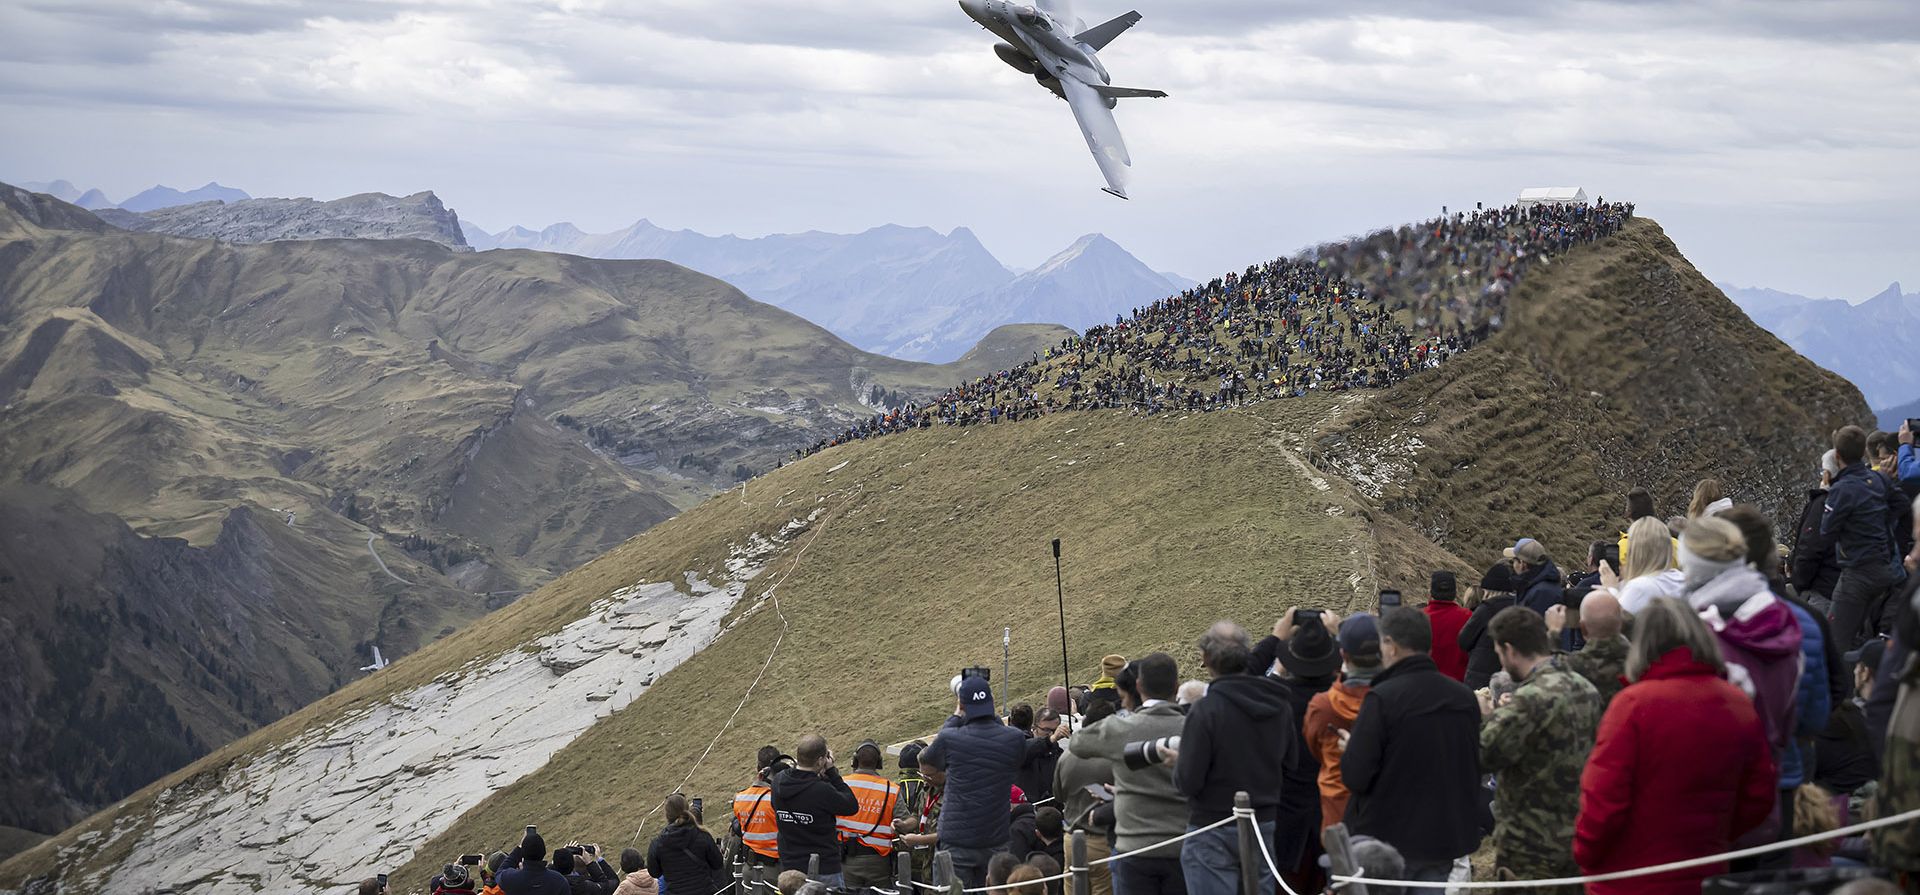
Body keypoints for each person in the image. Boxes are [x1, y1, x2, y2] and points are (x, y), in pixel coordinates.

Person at [1575, 598, 1778, 895]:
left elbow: (1603, 798)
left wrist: (1585, 854)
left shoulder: (1632, 706)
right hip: (1706, 871)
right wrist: (1717, 839)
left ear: (1641, 643)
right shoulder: (1736, 702)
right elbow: (1759, 794)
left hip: (1630, 878)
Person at [1342, 608, 1482, 883]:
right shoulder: (1464, 697)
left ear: (1391, 646)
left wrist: (1351, 750)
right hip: (1444, 835)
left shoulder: (1382, 699)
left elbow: (1356, 776)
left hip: (1391, 838)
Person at [1477, 607, 1600, 891]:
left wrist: (1489, 717)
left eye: (1499, 653)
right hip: (1577, 832)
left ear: (1509, 649)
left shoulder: (1529, 699)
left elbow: (1483, 755)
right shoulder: (1584, 688)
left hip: (1531, 844)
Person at [1173, 622, 1294, 895]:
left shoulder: (1204, 710)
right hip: (1262, 822)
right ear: (1247, 655)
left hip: (1211, 825)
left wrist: (1178, 763)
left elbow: (1187, 782)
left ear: (1205, 660)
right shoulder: (1279, 704)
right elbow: (1290, 763)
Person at [1070, 652, 1189, 895]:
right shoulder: (1195, 725)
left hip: (1134, 848)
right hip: (1183, 845)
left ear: (1138, 687)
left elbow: (1078, 742)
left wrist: (1120, 711)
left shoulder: (1121, 727)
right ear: (1176, 687)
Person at [922, 673, 1028, 889]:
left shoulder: (950, 737)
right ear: (991, 703)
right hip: (995, 838)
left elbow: (928, 762)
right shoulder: (1015, 739)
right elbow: (1007, 748)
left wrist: (955, 715)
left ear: (962, 704)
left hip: (956, 839)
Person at [1824, 424, 1912, 648]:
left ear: (1837, 455)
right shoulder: (1880, 480)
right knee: (1878, 634)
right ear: (1863, 452)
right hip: (1887, 569)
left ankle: (1845, 680)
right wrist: (1881, 522)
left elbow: (1826, 529)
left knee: (1836, 640)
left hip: (1857, 573)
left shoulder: (1841, 489)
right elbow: (1901, 503)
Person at [1303, 613, 1382, 829]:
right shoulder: (1399, 699)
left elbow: (1314, 749)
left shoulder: (1323, 706)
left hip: (1339, 815)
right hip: (1390, 813)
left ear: (1342, 655)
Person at [772, 735, 859, 885]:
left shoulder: (778, 781)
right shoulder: (821, 790)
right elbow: (851, 806)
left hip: (790, 867)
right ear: (820, 761)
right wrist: (832, 772)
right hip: (823, 868)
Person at [1052, 699, 1116, 895]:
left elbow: (1058, 795)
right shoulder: (1114, 756)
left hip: (1071, 839)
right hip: (1103, 839)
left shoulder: (1067, 756)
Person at [836, 740, 906, 889]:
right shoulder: (891, 789)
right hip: (878, 862)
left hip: (846, 860)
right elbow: (906, 821)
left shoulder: (842, 784)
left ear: (854, 762)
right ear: (879, 762)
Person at [1546, 590, 1630, 705]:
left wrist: (1553, 632)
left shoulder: (1575, 665)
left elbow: (1546, 669)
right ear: (1621, 622)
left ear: (1583, 629)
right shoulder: (1639, 660)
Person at [1792, 450, 1847, 613]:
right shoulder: (1860, 497)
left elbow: (1811, 547)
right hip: (1848, 586)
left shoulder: (1824, 503)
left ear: (1827, 474)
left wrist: (1799, 582)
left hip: (1822, 589)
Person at [647, 795, 723, 895]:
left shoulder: (658, 843)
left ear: (667, 814)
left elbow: (654, 872)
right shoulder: (702, 835)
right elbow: (717, 863)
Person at [1459, 562, 1517, 689]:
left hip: (1481, 674)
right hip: (1510, 673)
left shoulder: (1487, 608)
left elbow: (1464, 640)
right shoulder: (1519, 606)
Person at [1615, 516, 1687, 614]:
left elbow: (1614, 621)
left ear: (1636, 550)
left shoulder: (1640, 587)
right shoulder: (1683, 580)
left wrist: (1610, 588)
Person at [732, 747, 785, 871]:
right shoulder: (781, 798)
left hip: (750, 869)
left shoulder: (740, 797)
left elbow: (738, 827)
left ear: (758, 767)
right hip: (777, 868)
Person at [1422, 572, 1472, 681]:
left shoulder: (1419, 618)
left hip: (1425, 684)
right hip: (1460, 685)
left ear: (1430, 592)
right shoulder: (1468, 617)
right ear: (1455, 593)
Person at [501, 829, 572, 895]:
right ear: (543, 853)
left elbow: (500, 871)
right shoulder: (559, 881)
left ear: (523, 854)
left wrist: (520, 848)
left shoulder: (511, 879)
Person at [1506, 538, 1565, 616]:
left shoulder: (1541, 593)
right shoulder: (1535, 586)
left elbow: (1533, 626)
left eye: (1513, 561)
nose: (1512, 565)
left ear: (1522, 564)